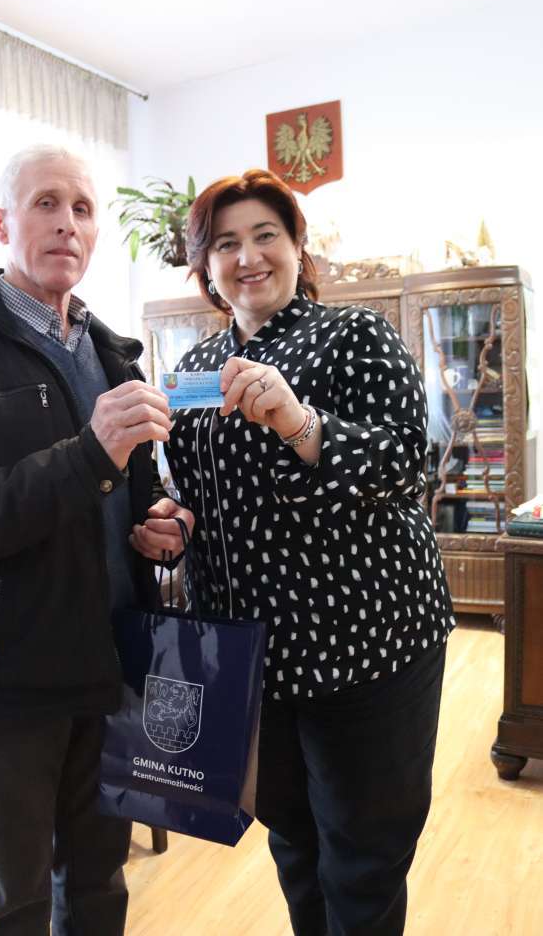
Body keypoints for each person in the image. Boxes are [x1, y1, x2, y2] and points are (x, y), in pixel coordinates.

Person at [0, 143, 193, 935]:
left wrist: (162, 529)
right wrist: (86, 454)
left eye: (82, 208)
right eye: (46, 203)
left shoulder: (115, 356)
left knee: (99, 888)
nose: (67, 224)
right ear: (1, 223)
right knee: (16, 907)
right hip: (4, 690)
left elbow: (135, 502)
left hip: (110, 671)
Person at [164, 169, 455, 936]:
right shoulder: (196, 368)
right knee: (292, 841)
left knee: (362, 857)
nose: (247, 256)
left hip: (365, 645)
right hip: (250, 659)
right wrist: (170, 517)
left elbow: (410, 465)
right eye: (225, 243)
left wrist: (301, 424)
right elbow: (196, 490)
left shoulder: (353, 335)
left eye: (266, 235)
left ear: (298, 247)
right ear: (205, 266)